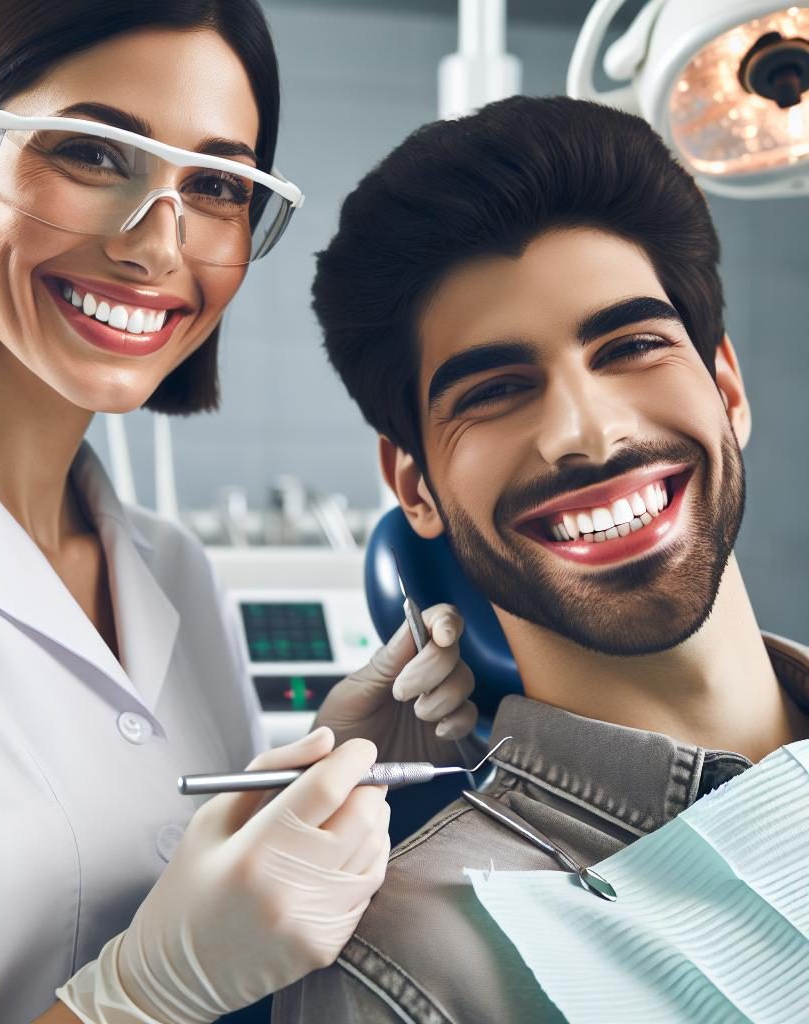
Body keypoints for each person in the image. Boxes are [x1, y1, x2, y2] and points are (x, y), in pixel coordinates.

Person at [0, 2, 481, 1022]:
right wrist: (134, 997)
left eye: (213, 184)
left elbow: (221, 930)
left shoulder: (173, 570)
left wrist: (320, 782)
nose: (156, 244)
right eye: (93, 154)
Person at [272, 95, 809, 1023]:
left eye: (633, 345)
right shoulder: (408, 965)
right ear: (415, 485)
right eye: (497, 390)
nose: (587, 434)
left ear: (726, 389)